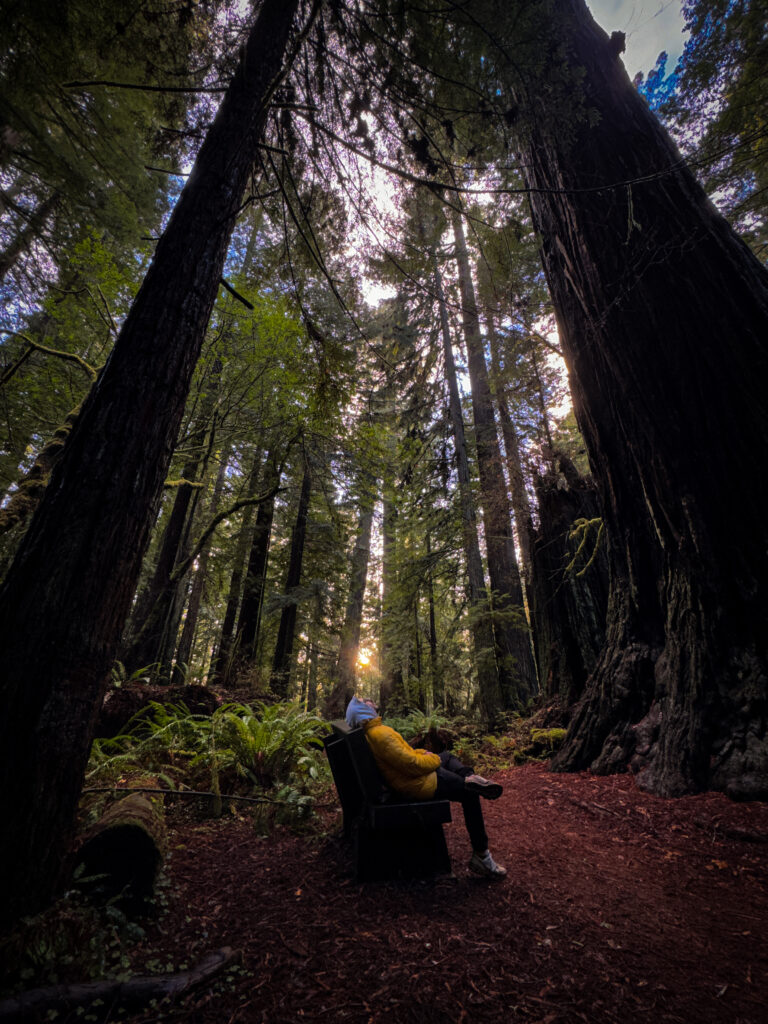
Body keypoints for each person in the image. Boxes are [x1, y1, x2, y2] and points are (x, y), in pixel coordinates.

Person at [345, 696, 507, 879]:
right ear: (362, 712)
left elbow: (407, 756)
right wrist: (433, 759)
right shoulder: (380, 734)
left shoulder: (375, 732)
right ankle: (482, 857)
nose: (370, 701)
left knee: (447, 756)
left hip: (413, 779)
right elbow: (412, 764)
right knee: (469, 793)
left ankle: (470, 777)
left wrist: (427, 754)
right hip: (419, 784)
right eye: (365, 701)